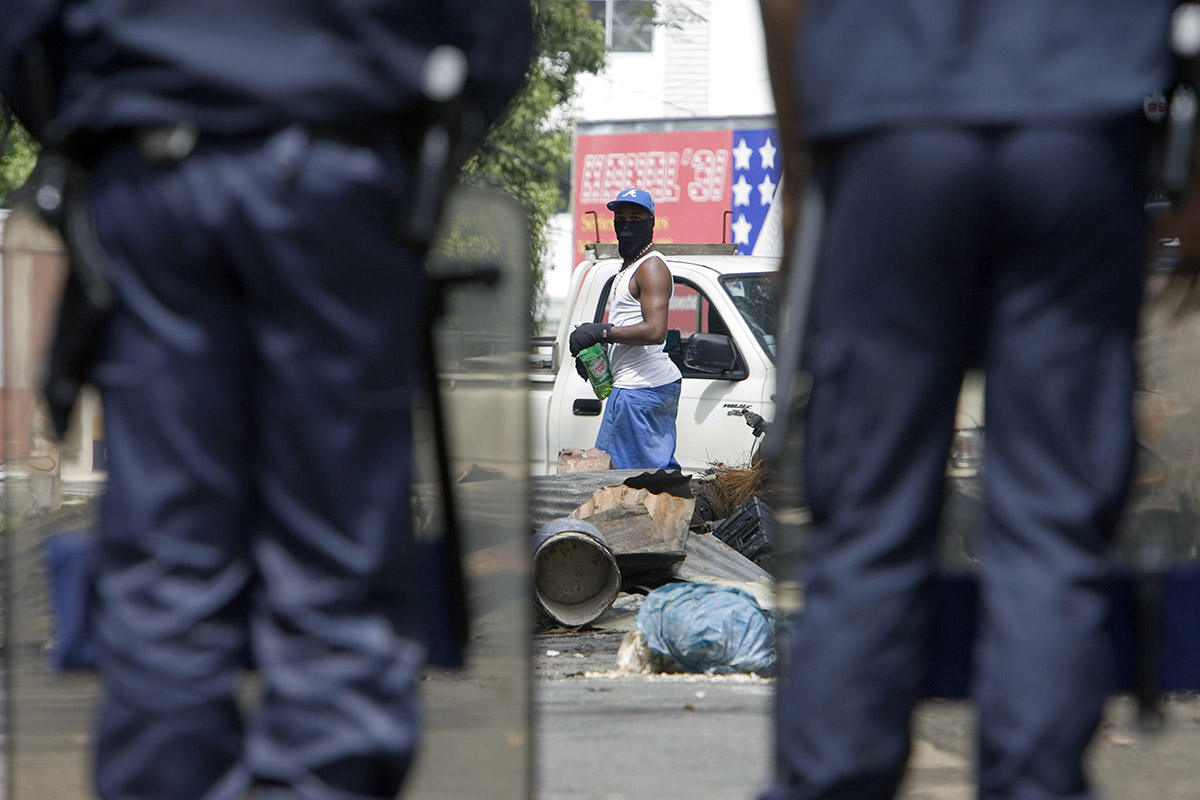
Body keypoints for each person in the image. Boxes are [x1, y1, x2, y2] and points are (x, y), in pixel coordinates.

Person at [1, 3, 531, 799]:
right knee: (335, 562)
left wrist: (95, 141)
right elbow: (495, 33)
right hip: (338, 161)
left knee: (169, 557)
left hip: (150, 163)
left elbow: (21, 32)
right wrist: (416, 157)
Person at [758, 2, 1176, 799]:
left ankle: (832, 779)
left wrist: (802, 176)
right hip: (1079, 122)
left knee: (870, 520)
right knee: (1051, 524)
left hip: (888, 126)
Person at [570, 188, 682, 471]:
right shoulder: (630, 266)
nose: (626, 224)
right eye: (620, 218)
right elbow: (630, 324)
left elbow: (655, 332)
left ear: (651, 223)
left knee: (622, 482)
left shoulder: (651, 267)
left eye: (635, 217)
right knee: (654, 478)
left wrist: (601, 332)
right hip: (640, 388)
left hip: (638, 392)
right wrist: (599, 356)